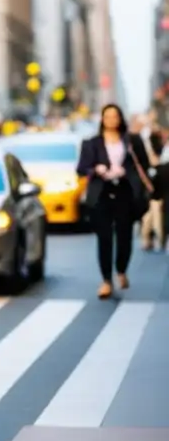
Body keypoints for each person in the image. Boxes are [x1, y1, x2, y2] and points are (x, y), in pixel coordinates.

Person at [77, 103, 154, 299]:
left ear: (120, 119)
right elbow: (81, 168)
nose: (111, 120)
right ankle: (106, 281)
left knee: (124, 235)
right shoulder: (91, 143)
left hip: (125, 191)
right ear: (102, 119)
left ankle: (121, 269)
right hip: (101, 192)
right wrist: (96, 170)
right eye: (107, 116)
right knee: (104, 238)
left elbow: (143, 164)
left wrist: (126, 172)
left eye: (115, 116)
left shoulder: (131, 141)